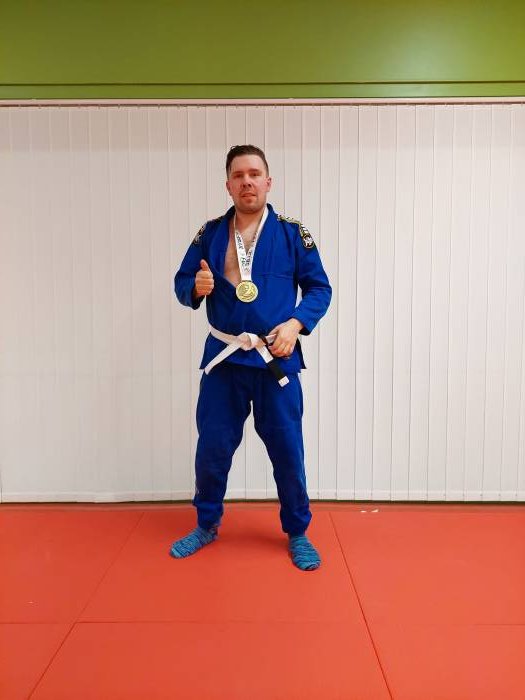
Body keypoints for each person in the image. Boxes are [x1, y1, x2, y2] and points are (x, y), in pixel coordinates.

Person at [171, 144, 331, 570]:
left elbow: (319, 289)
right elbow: (182, 281)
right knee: (212, 448)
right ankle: (206, 524)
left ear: (268, 182)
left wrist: (296, 324)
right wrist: (194, 288)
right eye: (238, 175)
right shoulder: (209, 234)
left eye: (254, 174)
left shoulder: (292, 234)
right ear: (228, 185)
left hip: (274, 358)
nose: (247, 182)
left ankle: (298, 531)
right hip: (224, 361)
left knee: (287, 450)